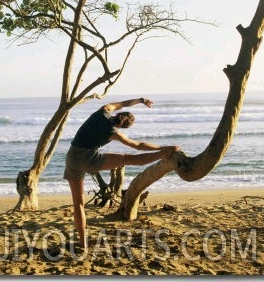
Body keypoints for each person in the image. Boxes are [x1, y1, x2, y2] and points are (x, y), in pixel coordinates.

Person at [63, 97, 179, 248]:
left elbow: (123, 103)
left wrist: (141, 100)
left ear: (118, 114)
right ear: (124, 126)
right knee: (127, 159)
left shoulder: (104, 111)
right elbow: (138, 145)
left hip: (72, 157)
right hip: (89, 159)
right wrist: (161, 148)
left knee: (78, 203)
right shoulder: (114, 133)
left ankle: (83, 242)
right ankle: (163, 155)